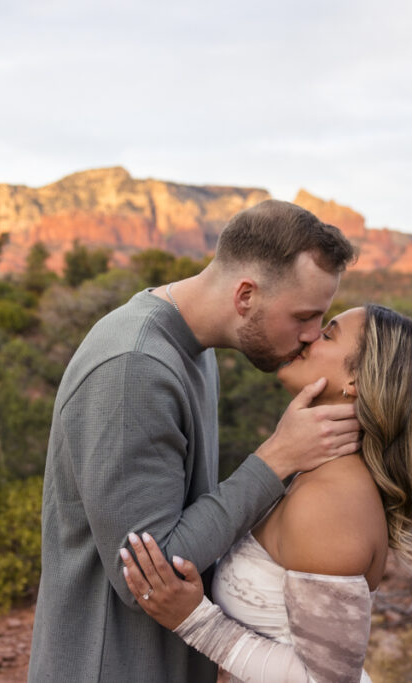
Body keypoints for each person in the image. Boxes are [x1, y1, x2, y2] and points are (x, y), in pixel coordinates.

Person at [28, 200, 360, 682]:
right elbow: (142, 574)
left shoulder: (194, 351)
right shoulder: (135, 369)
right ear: (246, 296)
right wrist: (276, 458)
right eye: (305, 316)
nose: (311, 337)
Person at [121, 304, 412, 682]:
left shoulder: (330, 503)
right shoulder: (314, 476)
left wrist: (195, 621)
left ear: (356, 381)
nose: (309, 336)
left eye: (328, 334)